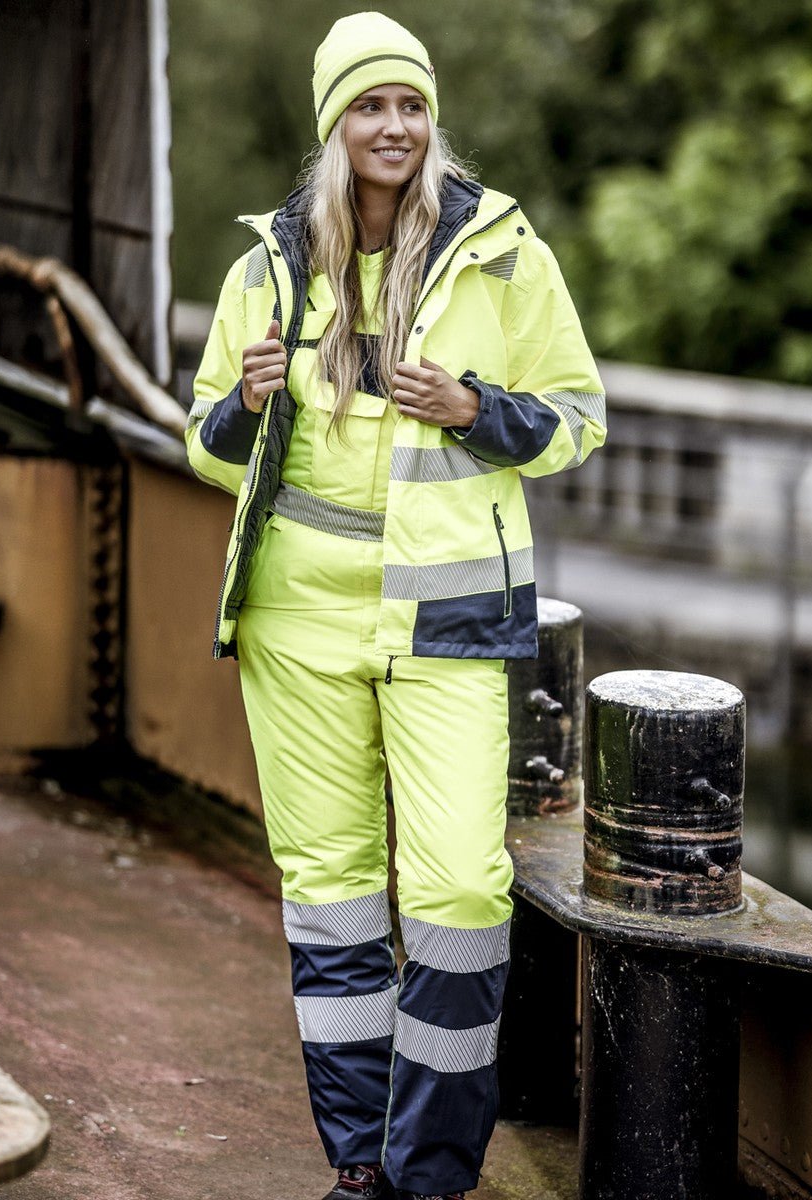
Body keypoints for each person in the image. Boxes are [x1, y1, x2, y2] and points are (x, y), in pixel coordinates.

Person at [186, 12, 606, 1199]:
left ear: (432, 119)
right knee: (332, 898)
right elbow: (205, 447)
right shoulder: (266, 270)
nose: (395, 126)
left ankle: (430, 1173)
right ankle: (361, 1169)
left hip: (448, 620)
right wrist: (244, 407)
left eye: (411, 105)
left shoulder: (503, 256)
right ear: (335, 126)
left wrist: (478, 410)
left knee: (461, 894)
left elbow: (579, 419)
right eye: (370, 106)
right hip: (298, 625)